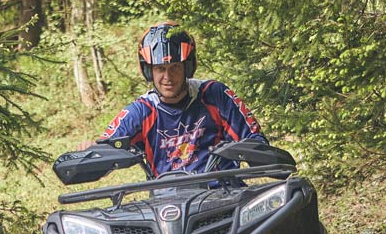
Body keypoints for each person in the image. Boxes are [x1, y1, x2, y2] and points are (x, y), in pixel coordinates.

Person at [83, 22, 267, 176]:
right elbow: (106, 151)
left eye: (175, 67)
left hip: (222, 195)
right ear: (149, 71)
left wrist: (256, 154)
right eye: (160, 69)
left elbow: (255, 140)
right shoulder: (141, 111)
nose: (167, 77)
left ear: (187, 67)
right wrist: (91, 154)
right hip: (166, 205)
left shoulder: (215, 94)